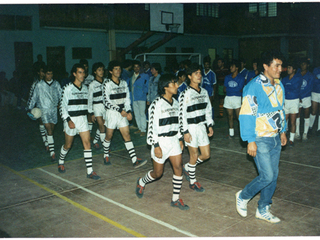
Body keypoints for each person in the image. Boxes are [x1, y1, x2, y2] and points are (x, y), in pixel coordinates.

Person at [236, 50, 287, 224]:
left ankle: (263, 208)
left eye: (281, 65)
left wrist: (283, 130)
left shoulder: (279, 85)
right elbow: (246, 114)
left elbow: (280, 108)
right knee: (267, 175)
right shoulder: (254, 86)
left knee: (273, 175)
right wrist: (250, 140)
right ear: (265, 66)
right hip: (260, 138)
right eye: (276, 65)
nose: (280, 69)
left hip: (275, 138)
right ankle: (243, 196)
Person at [135, 74, 189, 210]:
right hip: (160, 141)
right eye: (174, 84)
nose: (177, 86)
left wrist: (180, 138)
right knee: (158, 173)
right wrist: (156, 145)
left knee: (178, 168)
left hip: (173, 141)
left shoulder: (176, 103)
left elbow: (178, 124)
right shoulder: (156, 104)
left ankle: (175, 199)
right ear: (165, 87)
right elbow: (151, 128)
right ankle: (141, 182)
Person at [58, 63, 100, 180]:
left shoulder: (86, 88)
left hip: (82, 120)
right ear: (74, 74)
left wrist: (91, 113)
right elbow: (62, 107)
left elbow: (89, 104)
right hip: (71, 120)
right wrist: (68, 120)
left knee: (87, 144)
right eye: (80, 72)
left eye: (84, 72)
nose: (83, 75)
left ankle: (90, 171)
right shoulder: (67, 88)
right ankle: (61, 161)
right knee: (68, 145)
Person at [102, 60, 147, 168]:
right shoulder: (106, 84)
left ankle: (134, 160)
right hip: (112, 113)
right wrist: (119, 110)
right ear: (111, 71)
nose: (118, 71)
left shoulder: (123, 83)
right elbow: (106, 101)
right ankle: (105, 154)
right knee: (109, 136)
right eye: (115, 69)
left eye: (119, 69)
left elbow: (127, 99)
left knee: (126, 135)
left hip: (122, 113)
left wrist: (128, 111)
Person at [179, 63, 214, 192]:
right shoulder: (185, 94)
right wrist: (185, 132)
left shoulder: (204, 92)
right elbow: (181, 115)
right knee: (194, 155)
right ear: (189, 76)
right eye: (196, 73)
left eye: (200, 73)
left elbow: (208, 110)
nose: (199, 75)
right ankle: (193, 182)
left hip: (201, 127)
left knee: (206, 155)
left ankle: (188, 167)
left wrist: (209, 124)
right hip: (191, 128)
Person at [27, 65, 62, 161]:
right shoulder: (39, 85)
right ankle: (52, 152)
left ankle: (48, 143)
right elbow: (33, 97)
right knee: (49, 130)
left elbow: (61, 95)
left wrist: (60, 103)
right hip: (44, 110)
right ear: (44, 74)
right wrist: (29, 108)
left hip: (54, 110)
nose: (50, 75)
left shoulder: (56, 84)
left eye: (51, 74)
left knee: (51, 129)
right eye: (48, 74)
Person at [26, 66, 48, 151]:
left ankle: (48, 141)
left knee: (48, 125)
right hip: (39, 106)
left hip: (49, 107)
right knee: (42, 123)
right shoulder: (35, 84)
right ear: (38, 73)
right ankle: (46, 143)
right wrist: (28, 109)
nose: (43, 73)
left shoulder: (49, 82)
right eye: (42, 71)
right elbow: (31, 96)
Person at [281, 60, 302, 146]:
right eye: (287, 68)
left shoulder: (298, 78)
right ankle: (283, 137)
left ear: (294, 69)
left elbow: (294, 89)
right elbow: (282, 89)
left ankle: (291, 139)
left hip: (294, 101)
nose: (288, 69)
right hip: (286, 101)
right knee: (284, 121)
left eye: (289, 68)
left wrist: (287, 89)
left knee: (293, 121)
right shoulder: (285, 79)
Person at [223, 59, 245, 138]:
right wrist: (233, 90)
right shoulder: (227, 77)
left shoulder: (241, 78)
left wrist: (230, 89)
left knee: (239, 117)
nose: (230, 68)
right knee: (230, 116)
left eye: (232, 66)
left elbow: (239, 89)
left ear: (236, 68)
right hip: (228, 98)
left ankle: (242, 133)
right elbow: (224, 89)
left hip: (237, 98)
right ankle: (231, 133)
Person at [88, 62, 107, 149]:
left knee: (103, 125)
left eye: (102, 70)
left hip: (105, 107)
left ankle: (95, 140)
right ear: (95, 71)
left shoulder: (107, 81)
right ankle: (105, 146)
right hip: (97, 107)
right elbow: (89, 99)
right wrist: (91, 112)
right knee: (102, 127)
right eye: (99, 70)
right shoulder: (92, 84)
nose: (101, 72)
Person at [295, 58, 315, 141]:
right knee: (297, 115)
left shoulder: (310, 75)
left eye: (304, 64)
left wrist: (302, 97)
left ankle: (305, 133)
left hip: (306, 97)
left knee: (306, 115)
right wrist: (298, 97)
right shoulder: (297, 74)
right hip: (298, 97)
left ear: (308, 65)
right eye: (301, 64)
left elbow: (309, 87)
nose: (302, 66)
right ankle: (297, 132)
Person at [130, 60, 149, 136]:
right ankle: (139, 128)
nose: (136, 68)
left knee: (142, 114)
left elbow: (147, 86)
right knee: (136, 114)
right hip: (134, 98)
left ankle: (143, 129)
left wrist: (143, 92)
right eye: (135, 67)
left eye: (137, 67)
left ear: (140, 67)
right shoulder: (132, 77)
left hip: (141, 98)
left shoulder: (144, 75)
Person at [202, 57, 217, 121]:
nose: (206, 66)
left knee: (210, 105)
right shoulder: (201, 72)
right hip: (202, 92)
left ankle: (211, 119)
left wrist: (214, 93)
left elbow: (214, 84)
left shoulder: (212, 74)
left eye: (208, 64)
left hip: (210, 92)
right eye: (205, 64)